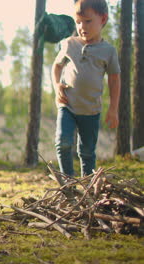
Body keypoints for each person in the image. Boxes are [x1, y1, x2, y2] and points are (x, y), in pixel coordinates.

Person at [52, 0, 120, 177]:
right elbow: (57, 66)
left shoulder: (108, 51)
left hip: (91, 111)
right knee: (63, 143)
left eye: (88, 21)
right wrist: (57, 85)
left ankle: (88, 187)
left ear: (103, 19)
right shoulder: (69, 44)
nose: (82, 27)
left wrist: (113, 109)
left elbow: (114, 80)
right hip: (67, 105)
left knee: (87, 152)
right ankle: (68, 184)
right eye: (78, 21)